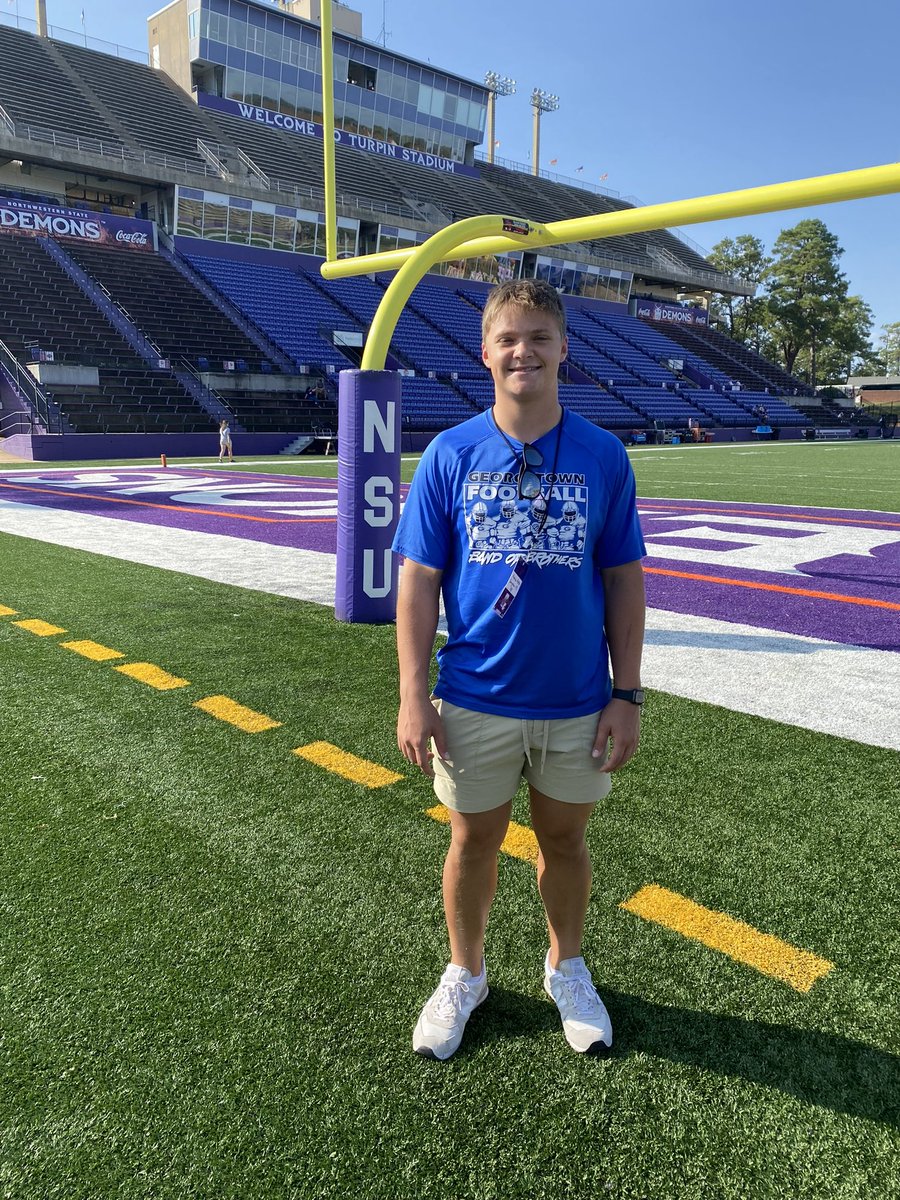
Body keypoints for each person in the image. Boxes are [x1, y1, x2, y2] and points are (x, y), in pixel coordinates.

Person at [393, 279, 646, 1061]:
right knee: (471, 842)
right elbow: (417, 579)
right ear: (484, 352)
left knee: (564, 842)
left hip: (575, 697)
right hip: (473, 694)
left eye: (539, 337)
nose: (523, 351)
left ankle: (565, 966)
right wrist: (412, 692)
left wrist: (626, 694)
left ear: (564, 348)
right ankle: (464, 973)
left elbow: (623, 579)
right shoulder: (451, 451)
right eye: (508, 338)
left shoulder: (603, 454)